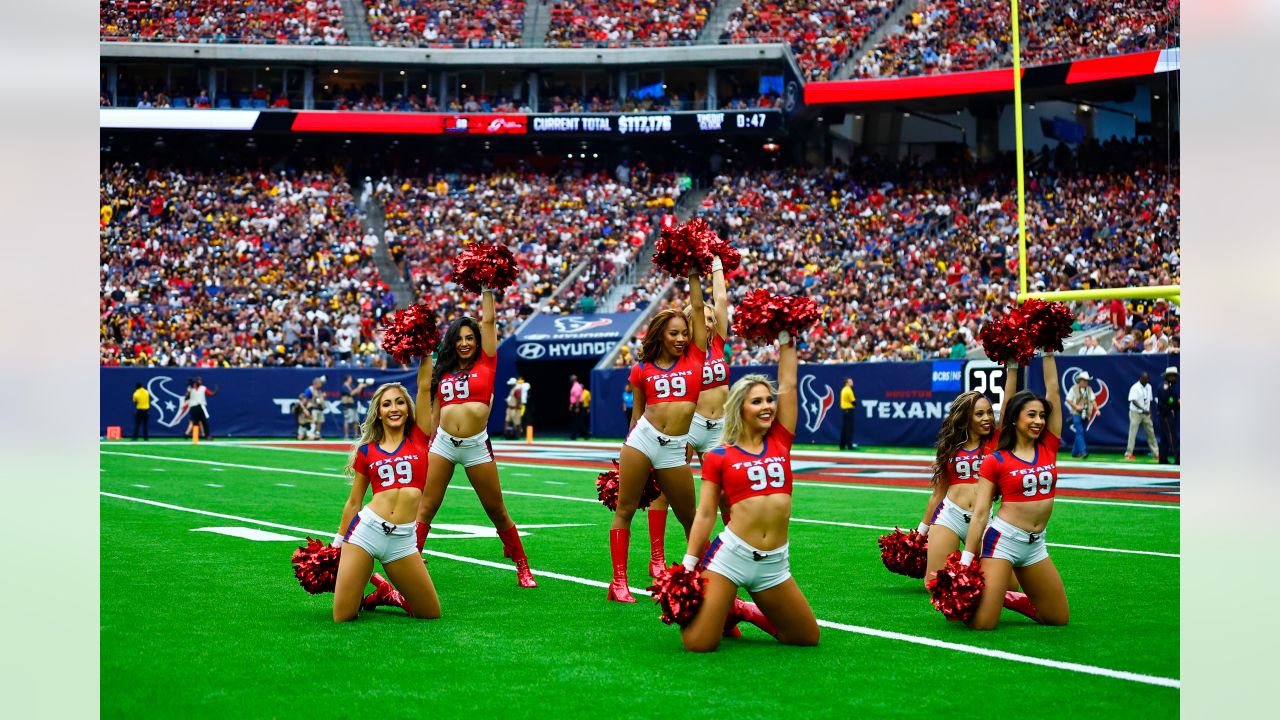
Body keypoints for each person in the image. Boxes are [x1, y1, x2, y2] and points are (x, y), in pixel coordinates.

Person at [678, 329, 820, 651]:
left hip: (774, 562)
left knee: (806, 637)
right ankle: (726, 603)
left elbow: (789, 385)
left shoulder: (781, 441)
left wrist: (785, 340)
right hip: (731, 557)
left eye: (769, 400)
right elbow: (704, 514)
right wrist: (688, 564)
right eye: (757, 401)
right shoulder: (718, 455)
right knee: (697, 644)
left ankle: (743, 610)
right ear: (740, 408)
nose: (768, 406)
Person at [414, 288, 537, 588]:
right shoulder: (442, 371)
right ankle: (411, 560)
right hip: (443, 443)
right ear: (452, 343)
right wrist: (425, 444)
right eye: (460, 339)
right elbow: (434, 413)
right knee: (426, 507)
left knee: (496, 509)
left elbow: (489, 321)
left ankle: (522, 565)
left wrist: (486, 290)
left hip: (475, 445)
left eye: (470, 338)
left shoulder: (487, 362)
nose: (465, 343)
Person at [610, 271, 709, 602]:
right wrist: (627, 445)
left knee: (689, 517)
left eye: (684, 333)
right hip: (643, 440)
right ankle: (619, 582)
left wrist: (693, 275)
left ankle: (704, 578)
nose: (681, 338)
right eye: (674, 334)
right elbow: (637, 413)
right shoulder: (642, 369)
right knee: (624, 510)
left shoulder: (695, 356)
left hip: (675, 448)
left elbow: (697, 306)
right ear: (660, 335)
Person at [960, 352, 1068, 630]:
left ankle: (1010, 598)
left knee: (1057, 619)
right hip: (1002, 542)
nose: (1039, 421)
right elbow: (981, 513)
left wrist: (1048, 352)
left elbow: (1053, 390)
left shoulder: (1048, 447)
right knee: (983, 624)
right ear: (1014, 419)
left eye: (1042, 416)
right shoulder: (995, 459)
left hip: (1036, 544)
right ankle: (991, 596)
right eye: (1031, 415)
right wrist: (966, 560)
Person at [332, 357, 441, 621]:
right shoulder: (367, 451)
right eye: (387, 404)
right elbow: (354, 502)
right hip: (365, 532)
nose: (394, 408)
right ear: (378, 412)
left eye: (400, 402)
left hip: (403, 539)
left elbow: (425, 387)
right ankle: (370, 590)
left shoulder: (418, 438)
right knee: (343, 616)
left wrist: (425, 351)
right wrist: (337, 544)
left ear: (408, 408)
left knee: (430, 613)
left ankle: (386, 593)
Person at [647, 256, 731, 577]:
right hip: (689, 426)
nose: (708, 322)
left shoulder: (719, 345)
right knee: (669, 490)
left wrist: (717, 264)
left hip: (719, 428)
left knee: (725, 494)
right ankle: (657, 557)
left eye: (712, 319)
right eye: (703, 317)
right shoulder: (683, 351)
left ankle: (726, 555)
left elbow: (720, 298)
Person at [918, 363, 1018, 584]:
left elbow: (1010, 404)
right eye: (979, 414)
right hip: (950, 516)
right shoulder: (950, 447)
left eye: (989, 413)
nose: (987, 418)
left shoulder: (996, 442)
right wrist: (920, 533)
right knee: (933, 583)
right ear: (965, 417)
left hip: (984, 519)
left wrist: (1012, 368)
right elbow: (937, 495)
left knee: (1009, 586)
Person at [1124, 372, 1159, 460]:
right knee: (1133, 433)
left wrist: (1149, 412)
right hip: (1135, 413)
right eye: (1144, 379)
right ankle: (1128, 454)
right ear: (1140, 378)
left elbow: (1149, 401)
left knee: (1151, 433)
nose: (1146, 381)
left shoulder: (1149, 387)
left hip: (1146, 413)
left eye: (1147, 379)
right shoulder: (1135, 387)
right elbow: (1133, 401)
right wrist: (1143, 409)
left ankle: (1156, 453)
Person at [1063, 371, 1097, 459]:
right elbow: (1068, 399)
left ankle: (1074, 452)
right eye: (1084, 380)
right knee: (1080, 432)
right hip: (1076, 414)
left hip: (1086, 414)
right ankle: (1083, 451)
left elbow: (1093, 400)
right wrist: (1076, 406)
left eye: (1087, 380)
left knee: (1080, 433)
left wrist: (1097, 409)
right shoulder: (1073, 389)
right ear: (1080, 381)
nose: (1086, 382)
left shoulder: (1089, 389)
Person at [1156, 367, 1179, 464]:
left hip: (1167, 414)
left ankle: (1163, 458)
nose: (1176, 378)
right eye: (1174, 376)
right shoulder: (1165, 386)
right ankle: (1179, 458)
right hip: (1166, 414)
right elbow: (1167, 399)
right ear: (1169, 376)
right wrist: (1176, 402)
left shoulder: (1170, 386)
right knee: (1171, 437)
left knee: (1165, 438)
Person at [341, 376, 369, 440]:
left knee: (356, 421)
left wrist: (362, 387)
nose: (351, 379)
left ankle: (356, 436)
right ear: (347, 379)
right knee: (347, 421)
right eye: (350, 378)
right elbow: (351, 393)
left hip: (354, 406)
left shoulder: (351, 386)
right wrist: (359, 386)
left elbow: (357, 392)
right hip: (347, 406)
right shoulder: (344, 386)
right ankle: (346, 436)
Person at [839, 378, 857, 450]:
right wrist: (854, 404)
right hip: (849, 410)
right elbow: (853, 402)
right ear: (847, 383)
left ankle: (842, 445)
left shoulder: (843, 389)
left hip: (844, 410)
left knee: (844, 428)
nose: (852, 382)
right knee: (849, 429)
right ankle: (849, 445)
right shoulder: (849, 390)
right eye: (850, 381)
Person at [568, 375, 585, 440]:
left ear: (574, 379)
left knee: (575, 420)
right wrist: (571, 404)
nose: (570, 380)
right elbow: (573, 397)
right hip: (575, 404)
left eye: (571, 379)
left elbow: (577, 397)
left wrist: (577, 407)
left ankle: (574, 436)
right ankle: (584, 434)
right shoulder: (574, 386)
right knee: (577, 420)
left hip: (577, 404)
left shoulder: (576, 386)